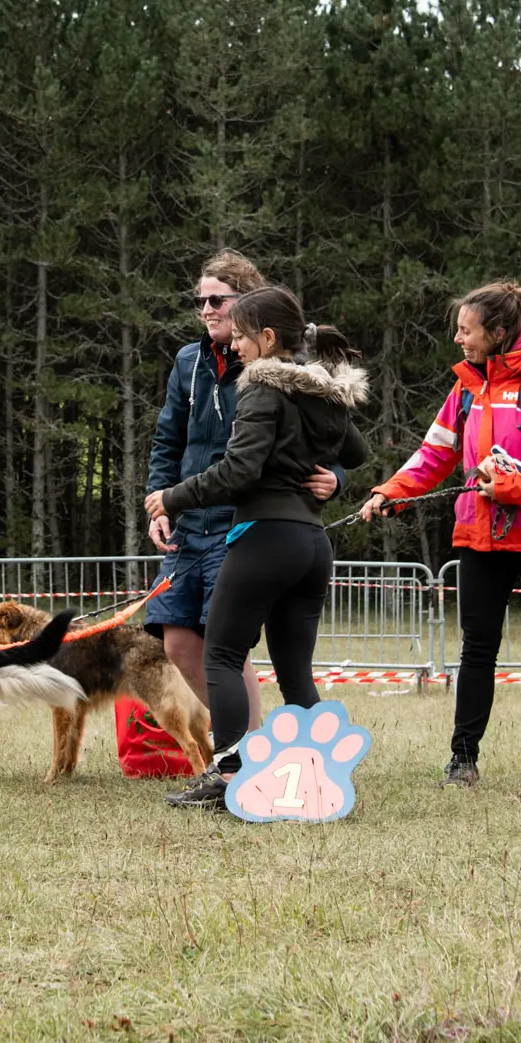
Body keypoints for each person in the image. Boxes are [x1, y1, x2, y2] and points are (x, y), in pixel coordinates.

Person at [360, 281, 521, 787]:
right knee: (477, 648)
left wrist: (510, 486)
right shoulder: (467, 386)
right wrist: (391, 491)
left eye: (466, 330)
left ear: (497, 332)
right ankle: (462, 761)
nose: (457, 339)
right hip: (479, 535)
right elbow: (435, 452)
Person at [145, 286, 370, 810]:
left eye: (244, 338)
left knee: (221, 653)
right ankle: (322, 779)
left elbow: (237, 470)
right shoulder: (322, 389)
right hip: (311, 545)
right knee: (295, 673)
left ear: (267, 339)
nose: (238, 348)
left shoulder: (261, 387)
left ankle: (228, 775)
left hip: (265, 537)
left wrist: (171, 498)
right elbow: (356, 452)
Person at [144, 251, 344, 724]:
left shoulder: (277, 366)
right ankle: (252, 746)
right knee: (177, 640)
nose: (207, 309)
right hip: (189, 523)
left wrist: (337, 478)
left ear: (248, 307)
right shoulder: (188, 361)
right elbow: (168, 439)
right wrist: (161, 502)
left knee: (225, 642)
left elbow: (329, 437)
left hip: (243, 521)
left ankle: (246, 755)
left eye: (218, 300)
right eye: (201, 300)